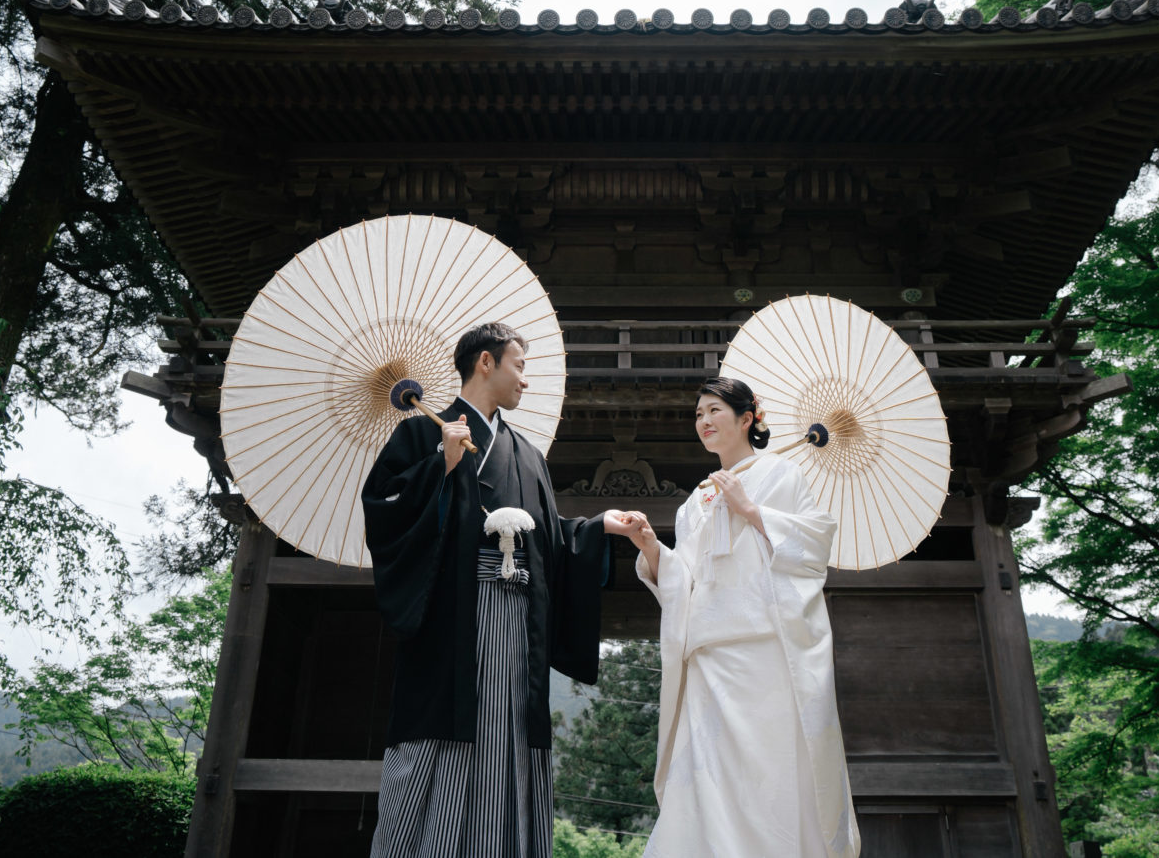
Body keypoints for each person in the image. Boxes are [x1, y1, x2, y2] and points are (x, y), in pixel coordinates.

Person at [362, 321, 646, 858]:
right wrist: (439, 465)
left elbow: (550, 536)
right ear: (486, 363)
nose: (526, 381)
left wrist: (596, 525)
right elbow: (385, 514)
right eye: (520, 365)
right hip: (454, 622)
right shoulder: (422, 434)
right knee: (443, 744)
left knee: (510, 741)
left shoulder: (528, 456)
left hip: (517, 627)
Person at [632, 376, 860, 858]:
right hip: (710, 659)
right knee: (705, 781)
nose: (705, 422)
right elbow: (685, 579)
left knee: (770, 779)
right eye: (698, 414)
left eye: (714, 410)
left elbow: (813, 548)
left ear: (747, 418)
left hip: (765, 654)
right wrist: (653, 548)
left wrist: (752, 509)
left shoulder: (781, 474)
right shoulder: (697, 498)